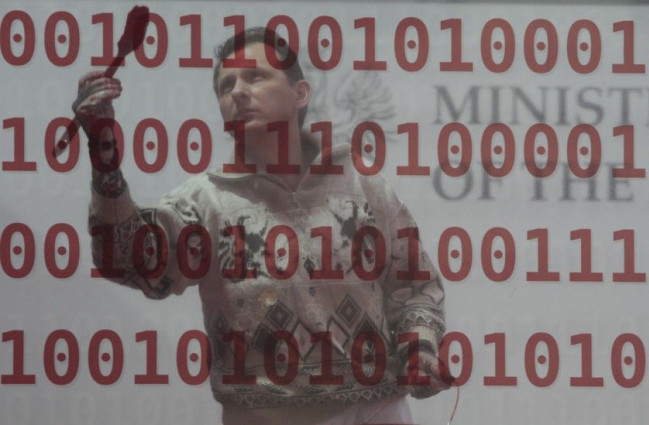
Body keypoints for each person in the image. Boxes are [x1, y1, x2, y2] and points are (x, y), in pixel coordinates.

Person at [79, 26, 448, 425]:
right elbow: (130, 260)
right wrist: (104, 156)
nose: (237, 92)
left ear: (300, 94)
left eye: (255, 76)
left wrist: (419, 352)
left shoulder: (361, 184)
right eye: (226, 85)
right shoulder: (206, 203)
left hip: (375, 414)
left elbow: (414, 285)